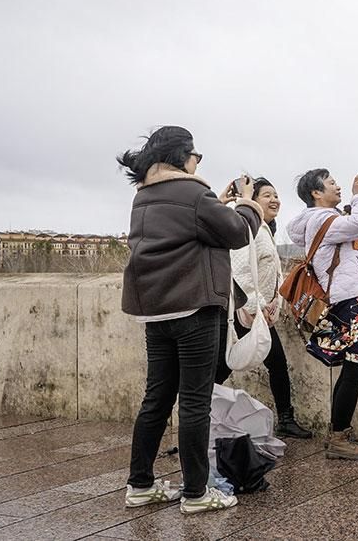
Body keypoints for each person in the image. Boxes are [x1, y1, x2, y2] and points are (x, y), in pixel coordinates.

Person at [117, 126, 261, 513]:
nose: (198, 163)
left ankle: (140, 484)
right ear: (182, 156)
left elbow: (191, 229)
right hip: (194, 309)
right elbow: (236, 232)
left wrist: (220, 201)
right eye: (197, 156)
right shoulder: (194, 192)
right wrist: (248, 203)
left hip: (156, 312)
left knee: (157, 398)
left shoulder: (143, 196)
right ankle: (197, 493)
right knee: (195, 402)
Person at [287, 169, 358, 460]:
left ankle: (339, 430)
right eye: (331, 184)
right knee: (356, 368)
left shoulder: (333, 219)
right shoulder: (321, 219)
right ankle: (339, 437)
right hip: (353, 298)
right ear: (316, 193)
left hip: (355, 295)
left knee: (353, 367)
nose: (338, 187)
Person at [213, 177, 313, 439]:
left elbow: (273, 274)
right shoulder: (249, 228)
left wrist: (274, 304)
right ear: (252, 201)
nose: (275, 200)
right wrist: (258, 305)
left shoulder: (264, 230)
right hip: (243, 312)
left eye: (276, 195)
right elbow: (240, 271)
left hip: (258, 312)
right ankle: (197, 413)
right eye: (267, 195)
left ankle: (285, 419)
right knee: (224, 366)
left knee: (272, 362)